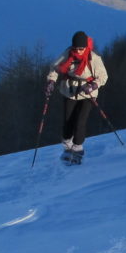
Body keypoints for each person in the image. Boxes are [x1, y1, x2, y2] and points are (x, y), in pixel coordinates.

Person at [45, 31, 109, 164]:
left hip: (87, 93)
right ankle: (68, 147)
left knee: (80, 121)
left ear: (86, 47)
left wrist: (92, 86)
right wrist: (51, 82)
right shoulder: (67, 53)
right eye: (76, 48)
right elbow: (54, 68)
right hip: (69, 91)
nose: (78, 51)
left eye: (81, 48)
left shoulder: (93, 58)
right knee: (68, 120)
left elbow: (103, 76)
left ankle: (78, 149)